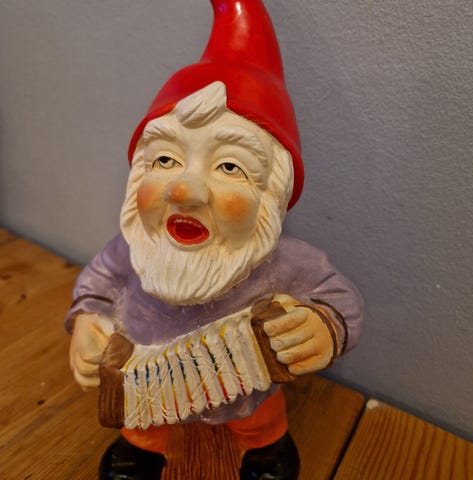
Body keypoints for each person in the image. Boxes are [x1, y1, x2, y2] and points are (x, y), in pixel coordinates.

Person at [66, 2, 363, 479]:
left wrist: (323, 326)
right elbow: (97, 286)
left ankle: (266, 448)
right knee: (144, 420)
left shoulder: (284, 263)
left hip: (244, 391)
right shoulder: (133, 250)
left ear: (271, 196)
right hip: (147, 387)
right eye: (165, 160)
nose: (185, 191)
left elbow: (337, 297)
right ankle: (142, 449)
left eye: (229, 166)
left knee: (257, 417)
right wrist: (88, 321)